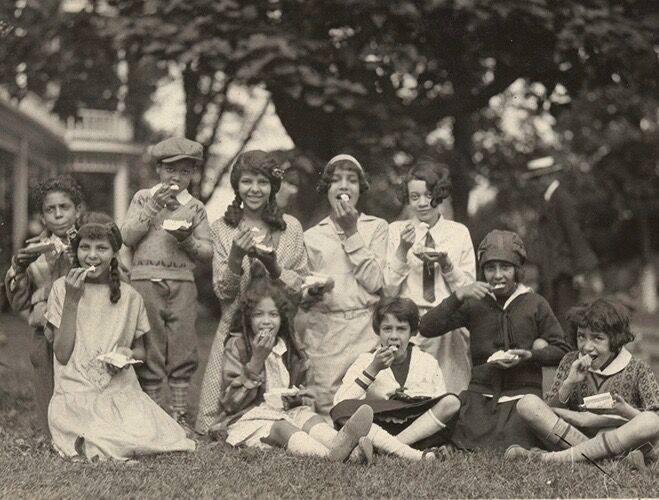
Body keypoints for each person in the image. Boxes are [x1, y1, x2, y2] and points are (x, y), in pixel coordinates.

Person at [44, 217, 195, 461]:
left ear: (115, 253)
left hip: (120, 392)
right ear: (76, 251)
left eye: (101, 248)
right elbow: (61, 354)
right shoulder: (62, 289)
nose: (92, 256)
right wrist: (72, 300)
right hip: (75, 395)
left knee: (159, 435)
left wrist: (127, 354)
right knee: (98, 437)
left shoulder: (131, 297)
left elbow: (141, 352)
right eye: (85, 247)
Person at [419, 229, 571, 450]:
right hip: (481, 395)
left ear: (518, 271)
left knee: (517, 437)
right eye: (490, 268)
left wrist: (530, 356)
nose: (498, 275)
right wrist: (459, 295)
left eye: (505, 268)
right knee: (457, 426)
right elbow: (426, 327)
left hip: (521, 395)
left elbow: (563, 350)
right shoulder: (475, 303)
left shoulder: (534, 303)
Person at [196, 150, 308, 434]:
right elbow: (224, 292)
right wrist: (235, 257)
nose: (255, 189)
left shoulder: (291, 227)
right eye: (247, 181)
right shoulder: (222, 228)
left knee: (286, 407)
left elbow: (300, 287)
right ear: (237, 185)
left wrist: (275, 266)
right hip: (232, 329)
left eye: (263, 182)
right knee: (217, 421)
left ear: (273, 186)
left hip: (277, 328)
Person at [215, 272, 374, 461]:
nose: (266, 320)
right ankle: (334, 456)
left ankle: (340, 442)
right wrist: (256, 360)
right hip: (247, 417)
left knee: (313, 420)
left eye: (273, 314)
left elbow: (305, 391)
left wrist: (299, 396)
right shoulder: (238, 345)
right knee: (283, 426)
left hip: (287, 411)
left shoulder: (288, 346)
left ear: (282, 318)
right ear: (248, 318)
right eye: (258, 314)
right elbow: (230, 404)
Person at [121, 137, 212, 427]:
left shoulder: (195, 207)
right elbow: (127, 237)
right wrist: (150, 209)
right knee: (150, 342)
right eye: (171, 169)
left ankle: (179, 411)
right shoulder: (142, 197)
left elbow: (208, 252)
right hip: (145, 279)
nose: (177, 177)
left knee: (183, 342)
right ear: (159, 169)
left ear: (192, 174)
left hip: (182, 281)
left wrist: (188, 240)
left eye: (185, 171)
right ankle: (151, 410)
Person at [506, 298, 659, 468]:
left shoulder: (638, 368)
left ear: (615, 340)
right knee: (527, 403)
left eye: (597, 338)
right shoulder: (569, 361)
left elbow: (654, 421)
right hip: (574, 436)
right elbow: (548, 411)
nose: (586, 346)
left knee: (651, 421)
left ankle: (550, 459)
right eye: (581, 336)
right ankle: (614, 462)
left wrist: (625, 411)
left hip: (620, 438)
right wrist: (569, 383)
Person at [299, 154, 388, 415]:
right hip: (326, 331)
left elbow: (376, 283)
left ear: (361, 188)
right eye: (336, 180)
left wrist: (351, 232)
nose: (344, 186)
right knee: (328, 406)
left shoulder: (377, 228)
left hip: (366, 329)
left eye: (352, 180)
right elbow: (303, 292)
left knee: (370, 400)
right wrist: (311, 293)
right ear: (327, 188)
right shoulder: (311, 236)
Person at [384, 160, 475, 393]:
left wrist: (447, 265)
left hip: (448, 324)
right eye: (415, 197)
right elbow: (390, 289)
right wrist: (402, 250)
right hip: (410, 325)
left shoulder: (458, 233)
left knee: (451, 392)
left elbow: (469, 290)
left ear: (440, 194)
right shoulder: (396, 231)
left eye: (429, 195)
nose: (423, 203)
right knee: (413, 392)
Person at [332, 297, 461, 460]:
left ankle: (389, 447)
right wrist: (373, 369)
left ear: (412, 332)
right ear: (378, 331)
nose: (393, 336)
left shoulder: (426, 361)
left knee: (452, 402)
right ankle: (410, 454)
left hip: (416, 429)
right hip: (379, 425)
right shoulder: (366, 360)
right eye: (387, 329)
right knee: (342, 411)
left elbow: (438, 402)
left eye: (401, 329)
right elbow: (340, 402)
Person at [4, 175, 84, 436]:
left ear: (78, 210)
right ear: (42, 217)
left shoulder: (90, 244)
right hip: (45, 323)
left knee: (79, 375)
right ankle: (51, 432)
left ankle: (81, 428)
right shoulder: (33, 249)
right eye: (50, 209)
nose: (58, 215)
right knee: (43, 368)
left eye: (64, 207)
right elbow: (19, 301)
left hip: (81, 323)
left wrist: (78, 258)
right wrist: (18, 269)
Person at [523, 156, 599, 345]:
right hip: (552, 270)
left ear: (548, 177)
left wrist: (579, 270)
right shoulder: (548, 199)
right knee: (554, 316)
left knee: (568, 317)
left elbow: (574, 234)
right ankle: (562, 359)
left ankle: (571, 360)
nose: (536, 184)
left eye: (538, 179)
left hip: (565, 270)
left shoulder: (561, 198)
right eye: (534, 179)